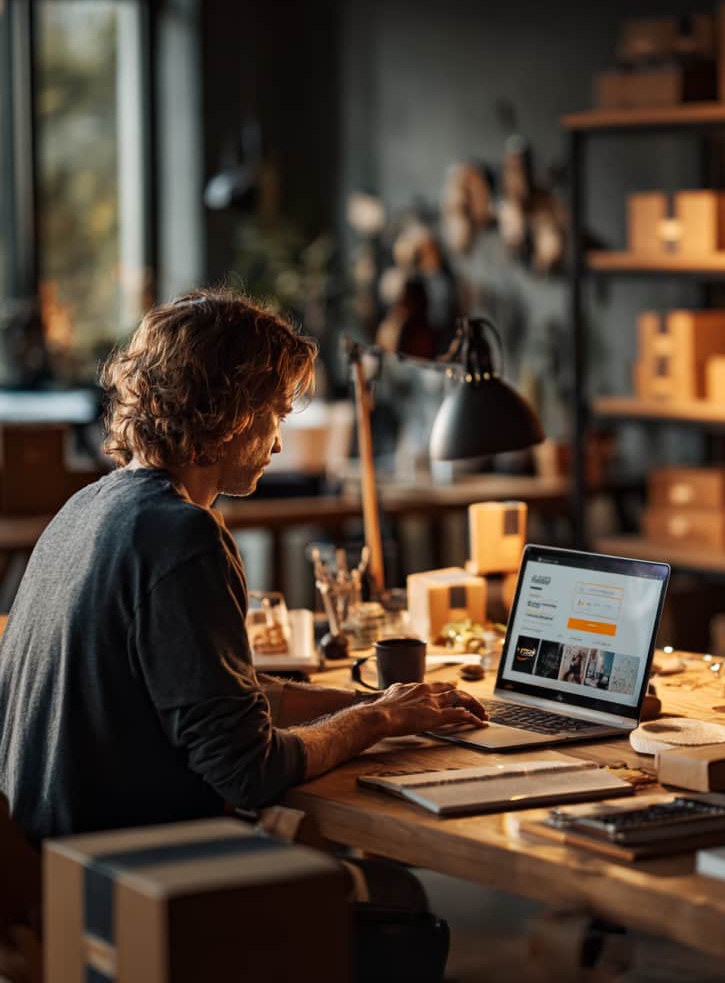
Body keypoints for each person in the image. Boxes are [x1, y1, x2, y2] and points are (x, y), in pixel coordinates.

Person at [0, 287, 487, 846]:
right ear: (230, 412)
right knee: (395, 896)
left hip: (47, 875)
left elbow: (218, 695)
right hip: (125, 880)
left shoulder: (86, 508)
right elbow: (249, 770)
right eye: (276, 414)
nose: (278, 444)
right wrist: (374, 723)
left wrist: (374, 703)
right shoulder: (183, 534)